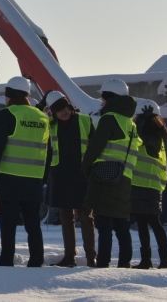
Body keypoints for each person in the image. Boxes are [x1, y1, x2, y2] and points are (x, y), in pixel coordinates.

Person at [0, 76, 49, 267]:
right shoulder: (42, 117)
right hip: (34, 180)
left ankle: (6, 261)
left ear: (9, 94)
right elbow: (48, 151)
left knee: (8, 225)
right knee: (33, 224)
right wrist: (42, 178)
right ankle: (37, 260)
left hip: (10, 180)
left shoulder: (7, 114)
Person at [81, 78, 139, 268]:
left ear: (110, 98)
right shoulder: (131, 123)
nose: (101, 102)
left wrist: (85, 168)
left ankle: (103, 262)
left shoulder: (109, 118)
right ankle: (124, 263)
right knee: (122, 224)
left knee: (104, 224)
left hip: (105, 177)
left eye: (103, 98)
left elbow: (95, 146)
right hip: (125, 177)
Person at [41, 90, 96, 267]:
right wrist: (42, 103)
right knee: (66, 218)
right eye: (58, 110)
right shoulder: (50, 125)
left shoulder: (85, 120)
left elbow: (95, 148)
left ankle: (90, 256)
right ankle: (69, 256)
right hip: (61, 176)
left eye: (64, 108)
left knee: (86, 217)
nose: (63, 112)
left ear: (69, 106)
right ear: (53, 112)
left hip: (82, 176)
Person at [131, 99, 167, 269]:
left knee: (153, 223)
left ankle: (164, 260)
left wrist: (141, 122)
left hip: (147, 185)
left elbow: (142, 140)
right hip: (145, 185)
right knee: (144, 223)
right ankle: (147, 259)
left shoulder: (152, 136)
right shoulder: (155, 134)